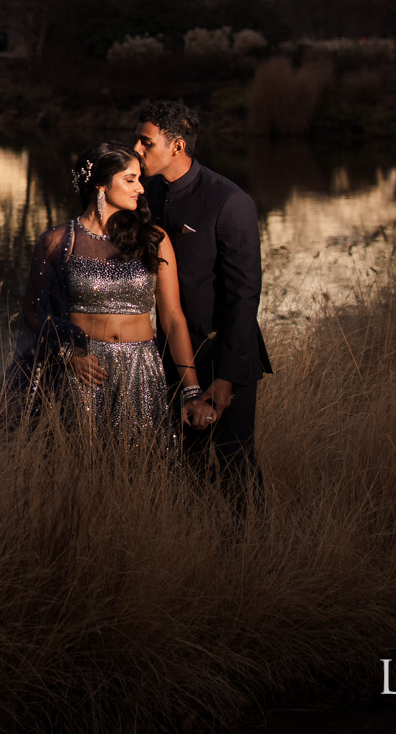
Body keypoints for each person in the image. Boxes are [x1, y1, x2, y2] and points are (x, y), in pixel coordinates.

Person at [16, 141, 213, 447]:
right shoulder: (58, 242)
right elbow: (33, 312)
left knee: (141, 465)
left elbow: (173, 318)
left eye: (140, 179)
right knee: (79, 465)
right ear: (101, 184)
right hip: (83, 371)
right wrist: (70, 356)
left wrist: (192, 391)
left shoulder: (153, 239)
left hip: (140, 369)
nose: (141, 189)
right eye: (130, 179)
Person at [135, 100, 270, 496]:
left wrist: (226, 375)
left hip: (223, 352)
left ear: (176, 146)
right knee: (180, 466)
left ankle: (253, 550)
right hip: (167, 354)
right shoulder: (144, 193)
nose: (137, 151)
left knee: (235, 465)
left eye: (146, 143)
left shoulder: (230, 202)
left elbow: (246, 295)